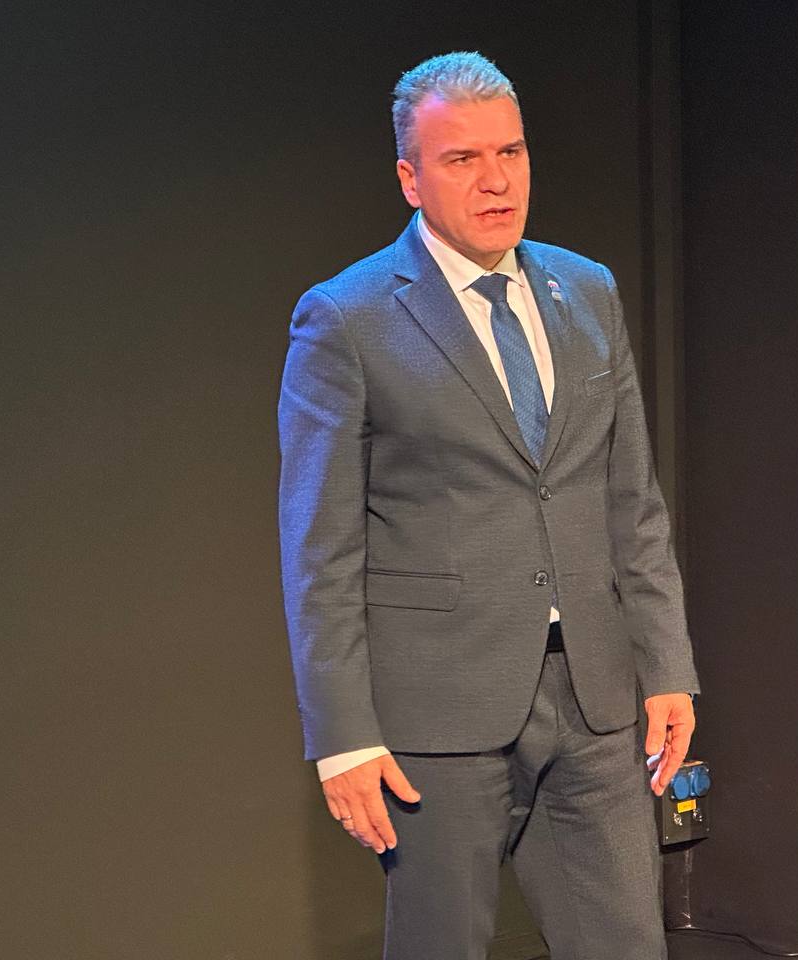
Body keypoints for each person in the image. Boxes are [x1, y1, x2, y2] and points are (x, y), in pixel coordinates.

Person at [278, 51, 700, 959]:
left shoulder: (587, 290)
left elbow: (633, 501)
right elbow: (320, 549)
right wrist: (342, 736)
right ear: (410, 179)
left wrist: (667, 664)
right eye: (462, 159)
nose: (497, 180)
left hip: (593, 697)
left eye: (510, 152)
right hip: (439, 711)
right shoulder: (347, 318)